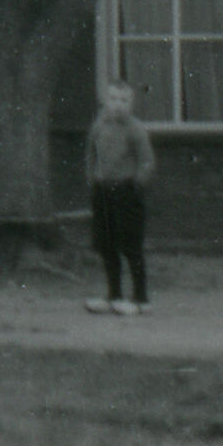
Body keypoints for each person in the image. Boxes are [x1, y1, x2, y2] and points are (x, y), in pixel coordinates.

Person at [84, 78, 156, 315]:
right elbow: (90, 154)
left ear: (131, 103)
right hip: (103, 191)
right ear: (106, 100)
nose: (118, 105)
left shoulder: (136, 129)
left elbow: (147, 161)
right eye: (114, 99)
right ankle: (113, 294)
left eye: (124, 100)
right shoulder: (99, 125)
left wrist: (137, 185)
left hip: (126, 191)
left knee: (131, 245)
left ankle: (141, 298)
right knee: (106, 244)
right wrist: (93, 180)